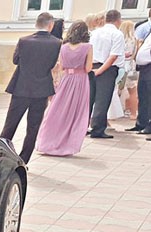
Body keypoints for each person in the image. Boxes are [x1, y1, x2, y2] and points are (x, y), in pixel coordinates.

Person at [0, 12, 62, 163]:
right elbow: (52, 64)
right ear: (50, 25)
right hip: (41, 89)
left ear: (36, 24)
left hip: (21, 87)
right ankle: (24, 159)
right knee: (33, 127)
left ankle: (0, 155)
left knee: (10, 124)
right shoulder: (56, 43)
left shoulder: (24, 40)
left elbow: (15, 60)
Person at [36, 21, 93, 157]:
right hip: (80, 81)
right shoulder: (88, 47)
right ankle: (68, 145)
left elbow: (61, 67)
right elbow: (88, 68)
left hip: (66, 80)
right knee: (76, 113)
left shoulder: (64, 47)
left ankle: (47, 142)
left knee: (58, 110)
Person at [89, 10, 125, 138]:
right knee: (102, 100)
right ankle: (97, 129)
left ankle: (83, 127)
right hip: (107, 69)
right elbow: (113, 56)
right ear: (118, 20)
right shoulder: (117, 34)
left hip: (92, 66)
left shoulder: (95, 32)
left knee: (89, 99)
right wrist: (101, 70)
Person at [131, 33, 151, 135]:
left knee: (150, 97)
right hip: (144, 68)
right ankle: (141, 123)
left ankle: (150, 125)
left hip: (150, 66)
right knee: (143, 95)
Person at [120, 21, 139, 120]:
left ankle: (117, 112)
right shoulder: (135, 40)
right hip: (131, 66)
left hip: (121, 66)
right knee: (133, 91)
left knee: (117, 90)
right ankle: (133, 113)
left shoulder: (120, 39)